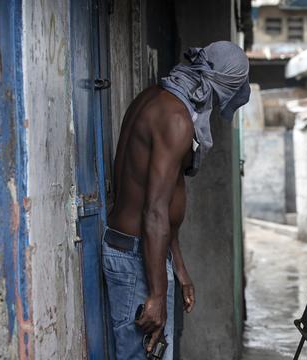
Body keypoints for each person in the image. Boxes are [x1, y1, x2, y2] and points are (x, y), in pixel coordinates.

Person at [103, 41, 250, 359]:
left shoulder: (156, 97)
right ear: (223, 84)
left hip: (138, 251)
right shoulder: (177, 120)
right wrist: (157, 292)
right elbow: (154, 211)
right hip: (136, 258)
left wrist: (179, 269)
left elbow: (162, 201)